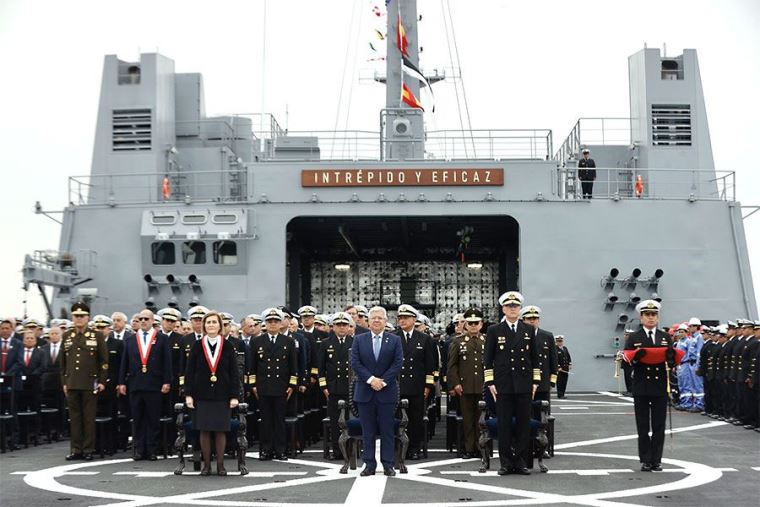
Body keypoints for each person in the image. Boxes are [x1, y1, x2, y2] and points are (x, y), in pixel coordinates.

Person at [484, 291, 540, 476]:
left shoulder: (528, 329)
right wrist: (490, 382)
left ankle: (521, 462)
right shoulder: (494, 330)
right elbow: (488, 359)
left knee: (524, 424)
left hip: (524, 384)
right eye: (509, 306)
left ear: (520, 309)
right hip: (503, 384)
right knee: (504, 425)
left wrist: (535, 382)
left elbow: (535, 358)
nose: (513, 309)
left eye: (515, 306)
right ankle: (506, 463)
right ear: (503, 309)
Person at [184, 311, 241, 475]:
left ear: (219, 325)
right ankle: (207, 465)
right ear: (204, 326)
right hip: (201, 394)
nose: (211, 325)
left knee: (220, 430)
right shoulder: (197, 345)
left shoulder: (227, 345)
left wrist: (234, 396)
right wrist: (188, 394)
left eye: (214, 322)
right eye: (208, 322)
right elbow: (189, 371)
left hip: (222, 394)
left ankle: (221, 465)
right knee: (204, 430)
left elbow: (234, 372)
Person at [350, 306, 403, 477]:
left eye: (380, 318)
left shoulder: (394, 340)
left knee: (387, 430)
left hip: (387, 392)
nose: (377, 320)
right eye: (373, 318)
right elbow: (355, 363)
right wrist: (371, 380)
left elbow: (397, 363)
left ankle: (388, 464)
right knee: (368, 431)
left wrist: (383, 381)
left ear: (386, 321)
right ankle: (369, 464)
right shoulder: (359, 339)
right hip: (365, 391)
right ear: (368, 321)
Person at [623, 300, 676, 472]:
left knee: (659, 425)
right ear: (641, 317)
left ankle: (656, 460)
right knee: (643, 425)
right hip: (642, 386)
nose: (651, 318)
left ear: (658, 318)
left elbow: (672, 361)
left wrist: (671, 359)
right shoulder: (634, 337)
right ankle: (646, 459)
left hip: (659, 386)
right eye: (647, 315)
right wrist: (636, 358)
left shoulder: (665, 337)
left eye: (654, 315)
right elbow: (625, 362)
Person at [118, 308, 172, 461]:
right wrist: (121, 382)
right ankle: (139, 449)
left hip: (154, 384)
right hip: (135, 384)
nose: (143, 321)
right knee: (138, 418)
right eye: (140, 319)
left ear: (152, 321)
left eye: (146, 319)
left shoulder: (161, 339)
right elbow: (124, 362)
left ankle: (152, 450)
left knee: (153, 418)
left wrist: (167, 381)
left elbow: (167, 362)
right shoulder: (130, 339)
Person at [60, 302, 109, 460]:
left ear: (88, 317)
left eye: (82, 316)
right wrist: (64, 382)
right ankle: (76, 449)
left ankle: (88, 449)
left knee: (88, 418)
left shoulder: (97, 335)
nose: (79, 319)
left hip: (89, 382)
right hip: (72, 382)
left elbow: (104, 361)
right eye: (76, 316)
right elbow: (62, 363)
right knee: (74, 418)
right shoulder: (67, 335)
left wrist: (102, 381)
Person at [250, 308, 298, 461]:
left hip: (281, 387)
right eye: (269, 321)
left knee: (279, 420)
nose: (272, 324)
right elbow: (252, 367)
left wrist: (291, 385)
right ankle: (266, 450)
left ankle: (281, 450)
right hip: (263, 386)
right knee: (265, 421)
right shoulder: (257, 341)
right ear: (265, 323)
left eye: (276, 321)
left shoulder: (288, 342)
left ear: (280, 323)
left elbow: (293, 367)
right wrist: (253, 385)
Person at [395, 304, 436, 460]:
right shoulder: (392, 337)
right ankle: (398, 447)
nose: (402, 321)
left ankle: (414, 448)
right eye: (400, 318)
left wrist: (428, 386)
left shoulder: (425, 339)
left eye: (406, 318)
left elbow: (430, 366)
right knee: (397, 418)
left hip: (417, 386)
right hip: (397, 386)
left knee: (415, 419)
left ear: (414, 319)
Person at [446, 308, 486, 458]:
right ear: (465, 325)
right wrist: (455, 384)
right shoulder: (458, 341)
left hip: (483, 386)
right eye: (470, 323)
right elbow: (452, 365)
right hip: (465, 386)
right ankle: (469, 449)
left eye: (476, 323)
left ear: (481, 324)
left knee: (481, 420)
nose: (473, 326)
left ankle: (481, 447)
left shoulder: (487, 340)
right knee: (467, 420)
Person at [317, 311, 354, 459]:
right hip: (333, 388)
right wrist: (324, 388)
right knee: (335, 421)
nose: (341, 327)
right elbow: (321, 368)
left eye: (344, 325)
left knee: (350, 420)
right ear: (333, 327)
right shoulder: (326, 343)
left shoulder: (355, 342)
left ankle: (351, 450)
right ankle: (337, 451)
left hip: (350, 388)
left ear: (349, 326)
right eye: (338, 325)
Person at [520, 305, 558, 417]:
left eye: (535, 318)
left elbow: (553, 360)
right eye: (529, 318)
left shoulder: (547, 336)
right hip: (524, 381)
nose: (532, 321)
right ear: (523, 320)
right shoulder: (518, 336)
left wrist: (552, 381)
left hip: (543, 382)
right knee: (525, 413)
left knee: (543, 413)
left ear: (539, 320)